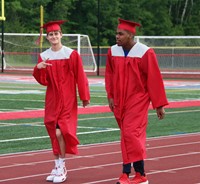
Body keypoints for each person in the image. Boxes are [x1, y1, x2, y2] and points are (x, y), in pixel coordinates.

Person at [105, 18, 168, 184]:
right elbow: (109, 75)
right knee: (125, 136)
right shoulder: (113, 51)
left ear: (131, 35)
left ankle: (140, 174)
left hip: (138, 99)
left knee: (130, 133)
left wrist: (158, 104)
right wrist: (110, 96)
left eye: (120, 34)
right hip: (119, 100)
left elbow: (154, 79)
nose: (116, 36)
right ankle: (127, 174)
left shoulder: (145, 52)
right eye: (116, 33)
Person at [33, 20, 90, 183]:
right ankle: (57, 165)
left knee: (60, 131)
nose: (54, 36)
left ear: (61, 35)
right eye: (50, 34)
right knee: (53, 131)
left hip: (67, 98)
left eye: (56, 34)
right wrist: (38, 68)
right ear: (47, 37)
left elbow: (80, 76)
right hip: (52, 98)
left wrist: (84, 96)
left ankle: (62, 166)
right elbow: (43, 81)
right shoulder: (44, 56)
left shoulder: (70, 54)